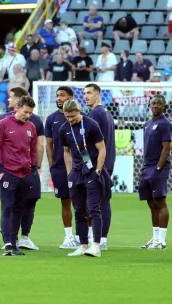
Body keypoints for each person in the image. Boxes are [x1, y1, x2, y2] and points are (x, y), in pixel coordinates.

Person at [59, 99, 105, 257]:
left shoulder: (91, 124)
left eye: (73, 116)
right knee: (78, 210)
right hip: (76, 173)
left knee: (93, 209)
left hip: (91, 170)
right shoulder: (64, 129)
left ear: (79, 111)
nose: (70, 119)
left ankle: (97, 245)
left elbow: (102, 149)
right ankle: (84, 245)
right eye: (67, 116)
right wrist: (69, 172)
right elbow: (66, 151)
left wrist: (98, 170)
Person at [0, 94, 38, 256]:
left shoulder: (31, 127)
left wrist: (33, 169)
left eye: (30, 113)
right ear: (17, 108)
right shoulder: (3, 124)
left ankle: (14, 242)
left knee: (20, 209)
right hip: (8, 174)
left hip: (25, 175)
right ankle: (7, 243)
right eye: (26, 112)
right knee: (7, 208)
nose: (28, 116)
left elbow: (33, 151)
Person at [44, 86, 77, 248]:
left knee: (82, 202)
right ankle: (68, 236)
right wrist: (51, 165)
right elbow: (48, 144)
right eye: (57, 95)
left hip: (78, 167)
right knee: (65, 202)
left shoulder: (81, 117)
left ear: (70, 97)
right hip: (59, 168)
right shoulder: (51, 119)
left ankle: (85, 235)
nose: (59, 98)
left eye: (62, 95)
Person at [139, 95, 172, 250]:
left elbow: (166, 147)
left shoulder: (165, 124)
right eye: (153, 103)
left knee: (160, 201)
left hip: (157, 167)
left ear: (164, 106)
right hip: (147, 166)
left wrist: (159, 167)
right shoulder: (148, 123)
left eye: (159, 103)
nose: (155, 106)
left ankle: (162, 240)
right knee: (151, 203)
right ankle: (155, 238)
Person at [84, 83, 115, 250]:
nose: (86, 96)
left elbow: (90, 144)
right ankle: (102, 238)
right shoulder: (106, 113)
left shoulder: (95, 114)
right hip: (108, 162)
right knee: (104, 200)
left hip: (98, 164)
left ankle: (97, 238)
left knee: (96, 203)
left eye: (89, 93)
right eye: (84, 93)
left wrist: (90, 165)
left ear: (97, 95)